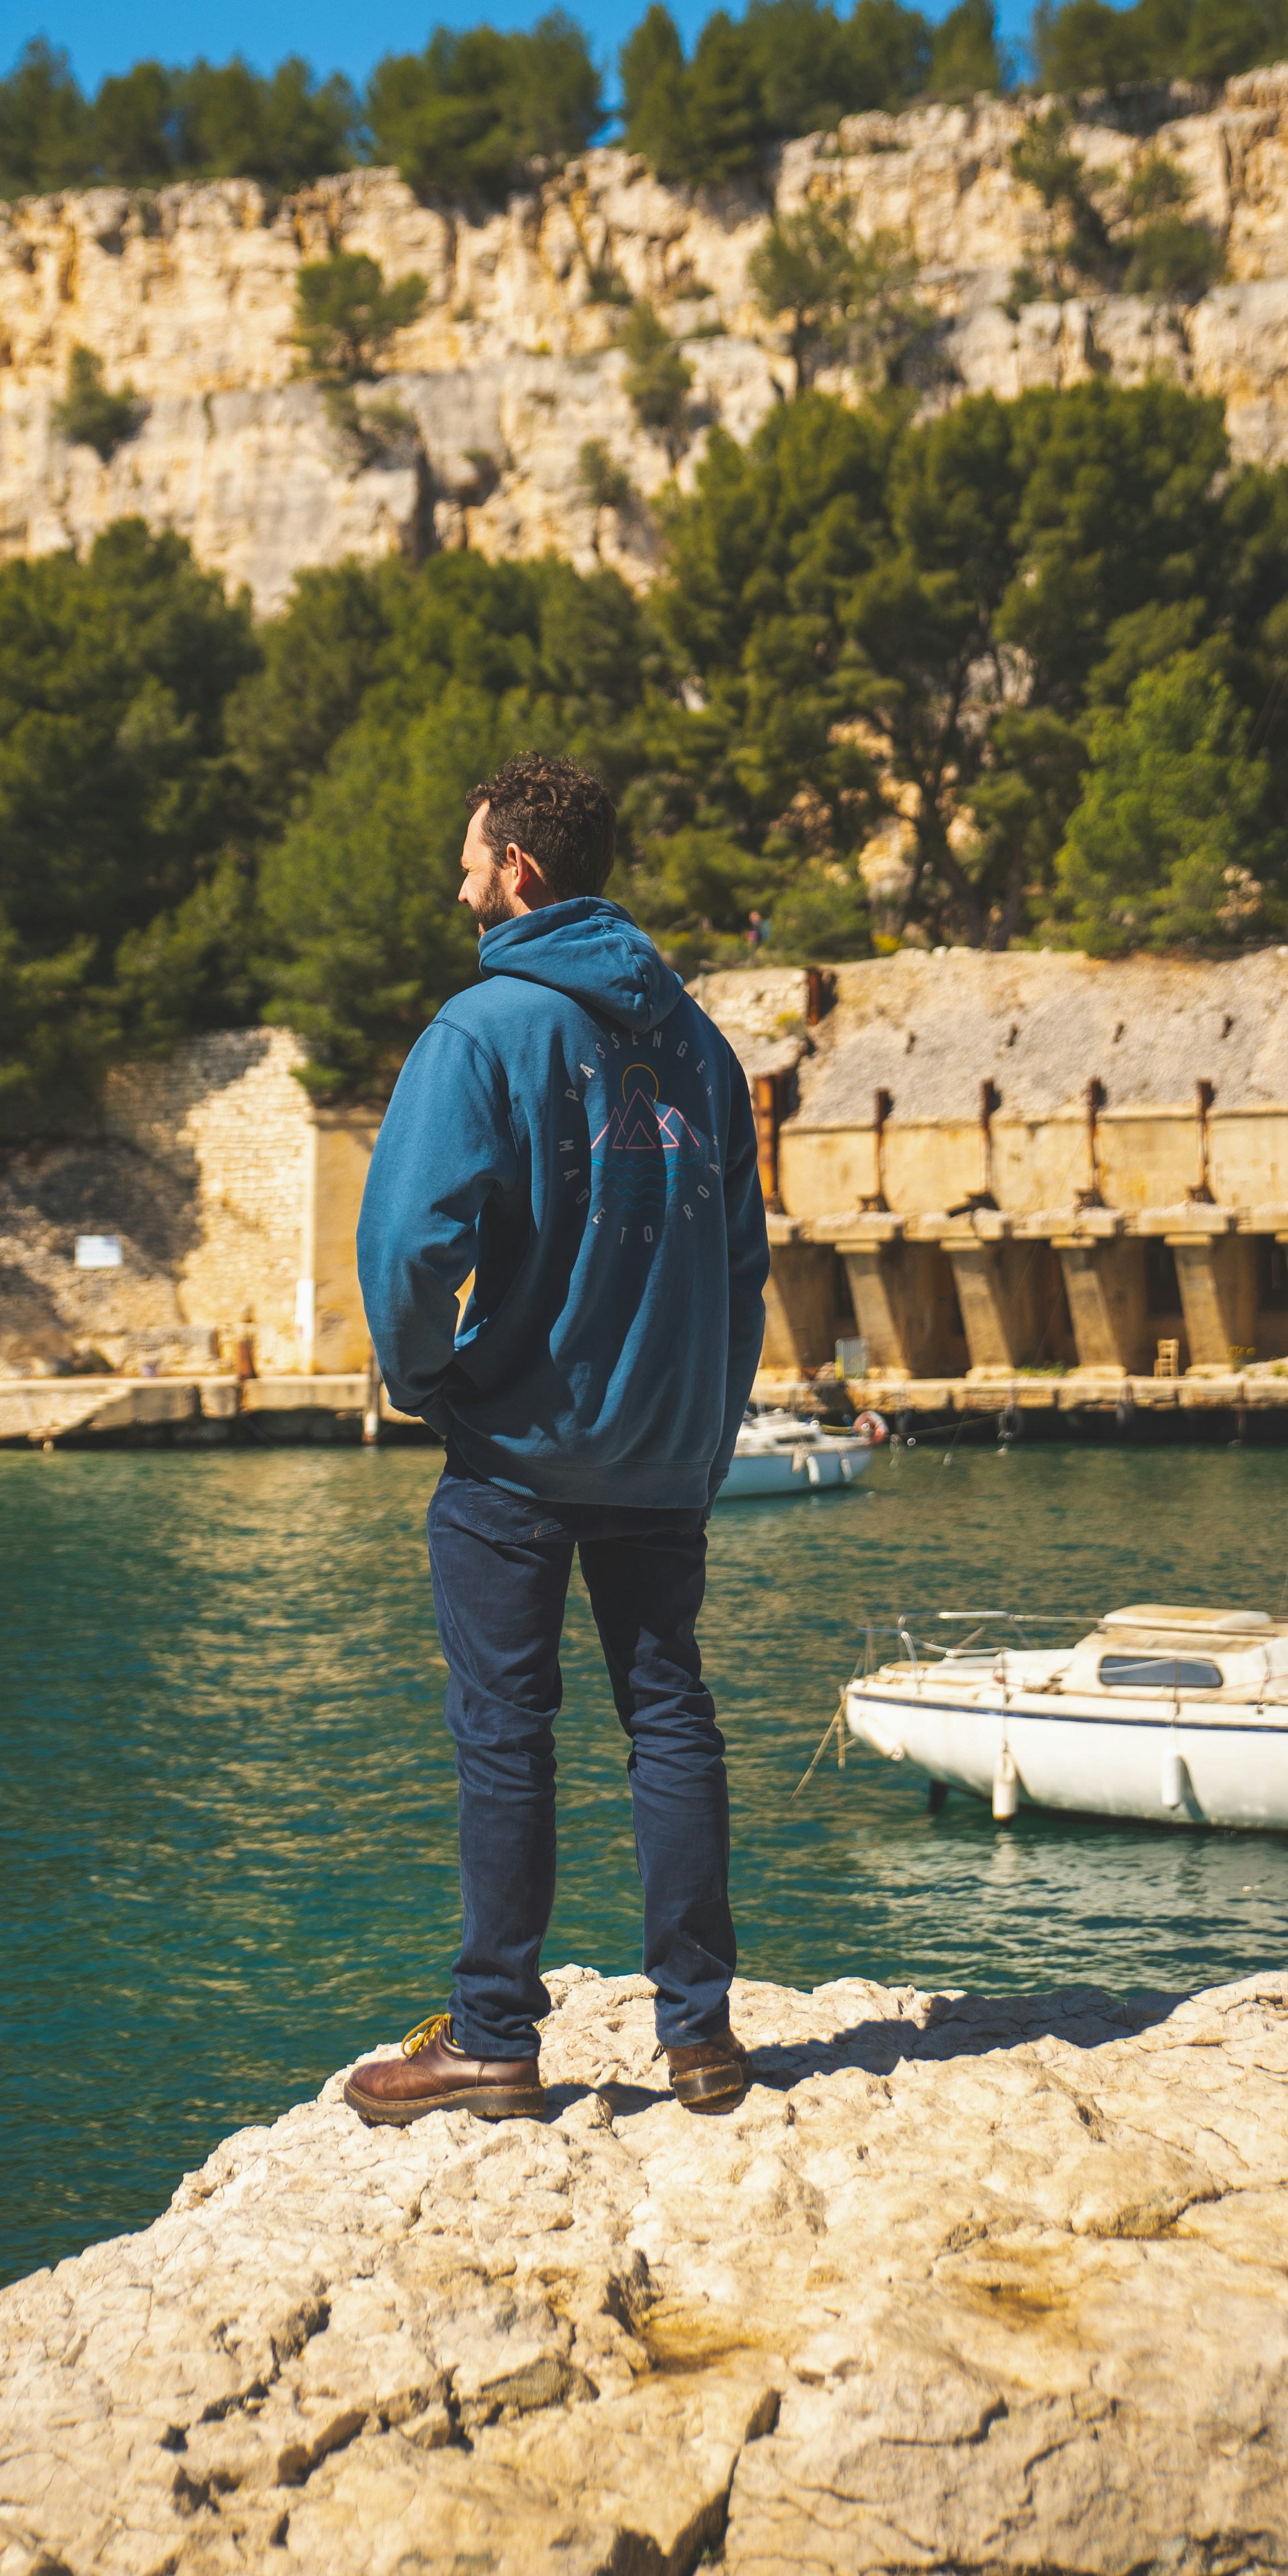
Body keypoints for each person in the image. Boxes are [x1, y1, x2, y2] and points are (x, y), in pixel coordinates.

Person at [344, 751, 769, 2126]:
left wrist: (430, 1380)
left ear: (518, 869)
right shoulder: (701, 1046)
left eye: (470, 856)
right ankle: (701, 2034)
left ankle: (492, 2038)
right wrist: (702, 1427)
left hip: (518, 1451)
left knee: (504, 1735)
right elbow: (746, 1267)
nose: (458, 879)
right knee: (671, 1716)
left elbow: (409, 1239)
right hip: (663, 1451)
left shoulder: (485, 1029)